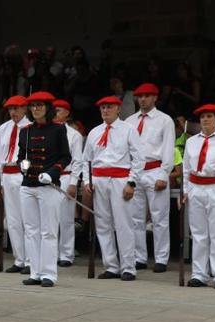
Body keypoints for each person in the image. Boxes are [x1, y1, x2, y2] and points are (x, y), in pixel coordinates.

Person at [82, 95, 144, 281]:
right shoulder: (94, 132)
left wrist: (132, 182)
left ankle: (128, 267)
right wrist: (87, 180)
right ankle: (111, 265)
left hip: (120, 178)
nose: (105, 111)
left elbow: (139, 158)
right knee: (103, 224)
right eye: (103, 108)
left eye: (109, 107)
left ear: (118, 109)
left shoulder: (128, 130)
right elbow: (87, 160)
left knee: (123, 223)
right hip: (99, 179)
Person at [16, 92, 72, 287]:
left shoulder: (58, 130)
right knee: (31, 230)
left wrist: (52, 173)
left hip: (48, 185)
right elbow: (20, 155)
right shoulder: (25, 131)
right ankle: (35, 272)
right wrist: (21, 165)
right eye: (33, 106)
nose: (36, 109)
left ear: (47, 108)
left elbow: (65, 157)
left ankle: (49, 273)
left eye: (40, 105)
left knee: (48, 231)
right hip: (28, 185)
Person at [182, 104, 215, 289]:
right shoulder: (192, 141)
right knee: (198, 234)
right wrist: (186, 191)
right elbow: (186, 169)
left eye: (209, 116)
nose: (205, 120)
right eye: (202, 117)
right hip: (196, 187)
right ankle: (199, 273)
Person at [126, 83, 174, 273]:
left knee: (159, 218)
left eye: (147, 96)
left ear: (155, 98)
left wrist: (164, 173)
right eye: (140, 96)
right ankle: (140, 257)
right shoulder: (129, 121)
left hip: (155, 169)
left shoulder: (164, 120)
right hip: (135, 171)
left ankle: (161, 258)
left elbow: (169, 149)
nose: (143, 99)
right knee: (135, 218)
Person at [0, 96, 30, 274]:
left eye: (17, 108)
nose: (13, 112)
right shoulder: (4, 127)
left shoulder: (30, 127)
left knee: (28, 219)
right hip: (7, 174)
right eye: (10, 109)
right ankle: (19, 259)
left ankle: (31, 259)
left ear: (25, 109)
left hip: (23, 173)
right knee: (13, 220)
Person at [53, 100, 85, 267]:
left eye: (58, 110)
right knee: (48, 219)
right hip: (47, 178)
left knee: (65, 218)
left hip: (65, 176)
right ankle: (51, 253)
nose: (55, 113)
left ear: (66, 113)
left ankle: (66, 254)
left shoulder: (74, 135)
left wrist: (73, 182)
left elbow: (78, 162)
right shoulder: (46, 131)